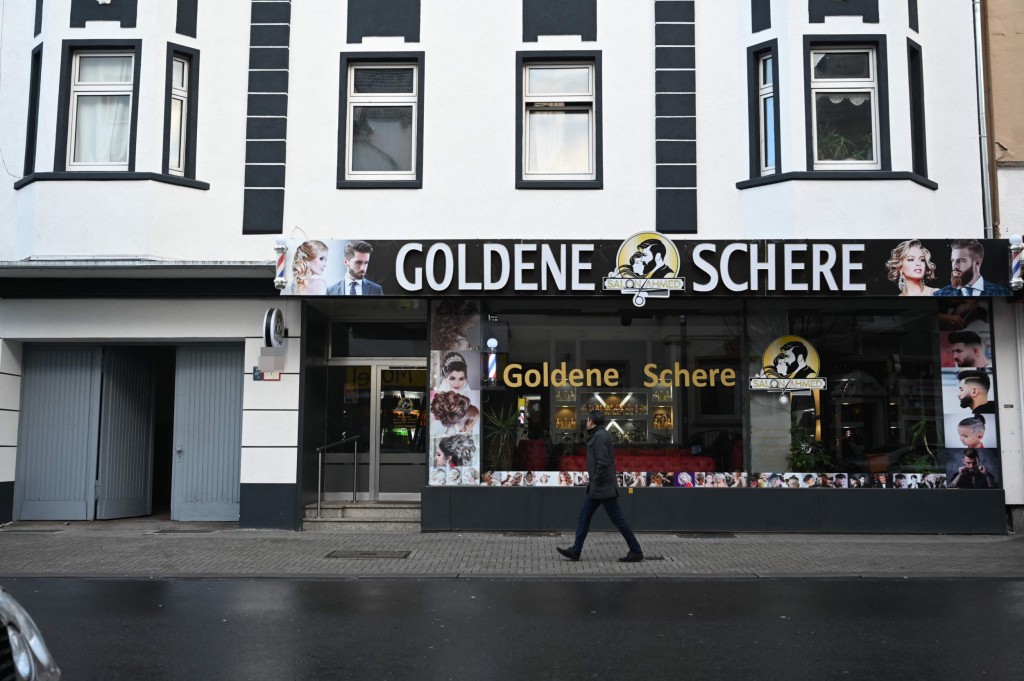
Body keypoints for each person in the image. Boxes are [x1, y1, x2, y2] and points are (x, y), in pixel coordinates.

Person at [556, 411, 644, 563]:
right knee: (585, 518)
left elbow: (603, 462)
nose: (586, 423)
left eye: (588, 420)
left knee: (617, 520)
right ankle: (576, 551)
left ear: (592, 421)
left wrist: (595, 480)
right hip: (599, 488)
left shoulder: (600, 437)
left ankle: (636, 551)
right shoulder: (597, 435)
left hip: (602, 488)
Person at [933, 239, 1011, 297]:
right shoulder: (940, 294)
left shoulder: (1002, 292)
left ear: (977, 263)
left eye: (961, 261)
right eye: (953, 260)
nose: (955, 266)